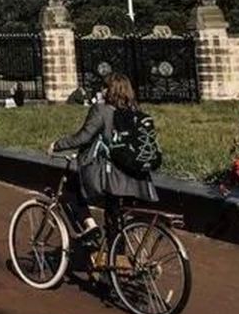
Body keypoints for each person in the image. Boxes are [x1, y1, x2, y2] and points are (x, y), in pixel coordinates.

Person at [49, 73, 158, 240]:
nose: (101, 90)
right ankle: (117, 255)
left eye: (104, 87)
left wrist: (57, 145)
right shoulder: (136, 111)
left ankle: (89, 226)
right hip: (137, 175)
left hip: (112, 175)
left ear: (109, 90)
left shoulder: (101, 110)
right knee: (116, 219)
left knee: (71, 188)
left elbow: (83, 137)